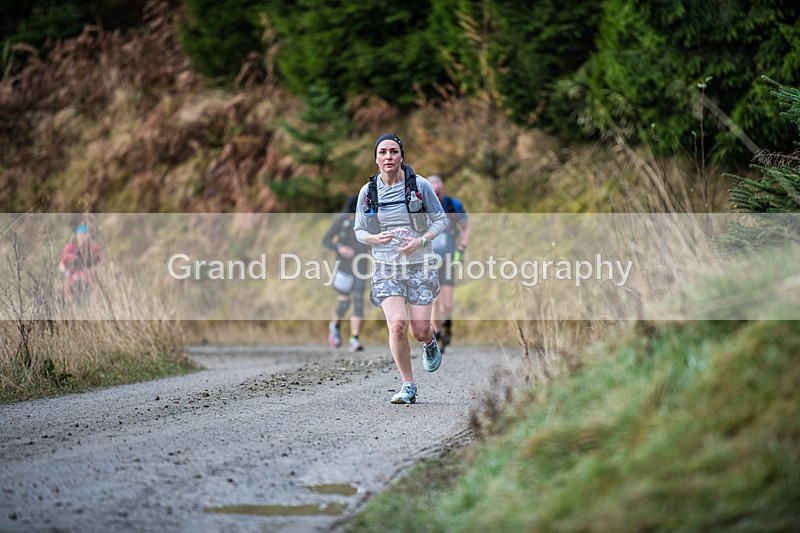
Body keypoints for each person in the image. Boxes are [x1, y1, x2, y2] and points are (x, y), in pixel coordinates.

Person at [354, 133, 448, 404]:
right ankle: (408, 385)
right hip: (385, 266)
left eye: (393, 152)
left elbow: (440, 220)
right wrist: (373, 239)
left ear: (401, 156)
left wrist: (420, 240)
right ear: (375, 158)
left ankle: (429, 342)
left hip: (420, 264)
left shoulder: (418, 185)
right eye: (382, 152)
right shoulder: (367, 191)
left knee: (419, 329)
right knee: (397, 325)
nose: (388, 157)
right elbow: (359, 229)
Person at [426, 175, 471, 354]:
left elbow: (466, 228)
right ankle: (436, 335)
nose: (436, 196)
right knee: (434, 300)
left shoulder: (453, 205)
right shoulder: (422, 206)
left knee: (447, 303)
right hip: (430, 259)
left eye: (438, 192)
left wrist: (462, 247)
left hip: (450, 257)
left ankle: (447, 326)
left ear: (442, 190)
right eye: (433, 193)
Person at [322, 194, 370, 351]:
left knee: (358, 303)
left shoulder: (367, 221)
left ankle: (354, 339)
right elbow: (326, 240)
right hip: (343, 267)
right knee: (344, 303)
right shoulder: (341, 220)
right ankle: (334, 326)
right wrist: (340, 248)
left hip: (361, 267)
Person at [58, 224, 102, 302]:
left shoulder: (93, 248)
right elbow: (61, 265)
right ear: (77, 235)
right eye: (80, 234)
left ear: (88, 235)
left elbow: (99, 264)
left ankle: (93, 305)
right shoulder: (70, 248)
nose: (82, 237)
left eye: (84, 234)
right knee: (66, 288)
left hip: (87, 276)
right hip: (73, 277)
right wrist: (66, 273)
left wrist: (92, 271)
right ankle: (72, 306)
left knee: (96, 289)